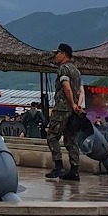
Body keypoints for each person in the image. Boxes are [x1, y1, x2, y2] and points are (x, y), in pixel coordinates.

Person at [46, 43, 83, 181]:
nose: (55, 56)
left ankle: (58, 165)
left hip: (62, 108)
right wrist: (77, 106)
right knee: (70, 139)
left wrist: (71, 104)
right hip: (73, 111)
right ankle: (74, 169)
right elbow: (80, 91)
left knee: (52, 136)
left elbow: (66, 88)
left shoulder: (63, 69)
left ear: (63, 54)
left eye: (57, 53)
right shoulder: (76, 71)